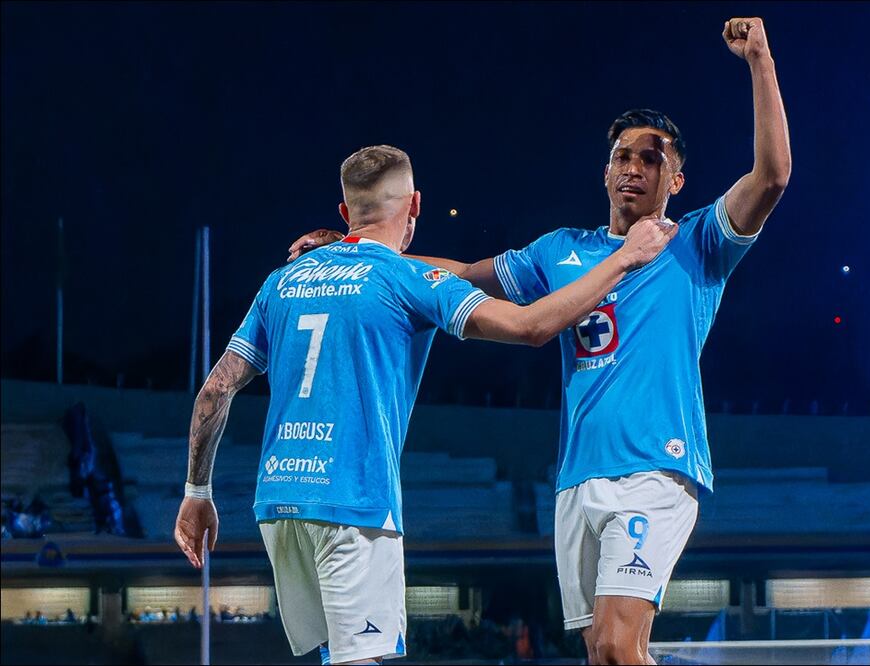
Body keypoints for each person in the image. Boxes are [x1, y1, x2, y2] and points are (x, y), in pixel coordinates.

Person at [289, 18, 790, 665]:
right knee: (604, 653)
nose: (633, 168)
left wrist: (759, 61)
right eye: (622, 156)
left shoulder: (697, 241)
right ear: (604, 171)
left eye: (651, 158)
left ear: (676, 180)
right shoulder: (560, 251)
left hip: (655, 468)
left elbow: (772, 176)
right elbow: (461, 275)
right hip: (576, 478)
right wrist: (357, 250)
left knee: (618, 644)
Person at [174, 145, 676, 665]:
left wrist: (196, 492)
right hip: (354, 501)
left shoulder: (282, 280)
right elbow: (531, 326)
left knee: (337, 654)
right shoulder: (408, 280)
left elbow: (215, 390)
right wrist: (623, 258)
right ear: (415, 204)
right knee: (359, 659)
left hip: (279, 502)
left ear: (345, 212)